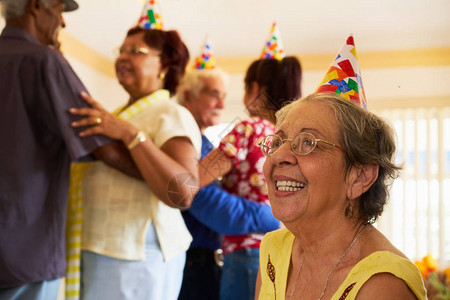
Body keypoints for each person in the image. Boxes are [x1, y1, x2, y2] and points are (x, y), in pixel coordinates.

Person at [0, 0, 143, 299]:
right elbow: (101, 144)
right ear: (37, 5)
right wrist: (166, 178)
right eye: (59, 10)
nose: (62, 23)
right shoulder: (45, 61)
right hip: (25, 254)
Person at [69, 26, 201, 300]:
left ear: (164, 65)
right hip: (97, 246)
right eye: (122, 51)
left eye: (136, 52)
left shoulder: (171, 113)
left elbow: (184, 191)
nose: (123, 57)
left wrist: (129, 134)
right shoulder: (117, 115)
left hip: (137, 255)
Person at [255, 93, 427, 299]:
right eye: (277, 142)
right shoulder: (274, 250)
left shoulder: (383, 285)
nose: (278, 155)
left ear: (359, 177)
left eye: (308, 142)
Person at [197, 56, 302, 300]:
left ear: (255, 89)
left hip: (244, 255)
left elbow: (197, 178)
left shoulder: (247, 129)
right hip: (284, 254)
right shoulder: (290, 138)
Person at [176, 68, 281, 299]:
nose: (222, 105)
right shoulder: (183, 144)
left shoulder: (241, 133)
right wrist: (270, 218)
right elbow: (196, 195)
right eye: (214, 94)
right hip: (201, 262)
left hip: (236, 256)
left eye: (224, 96)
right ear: (188, 96)